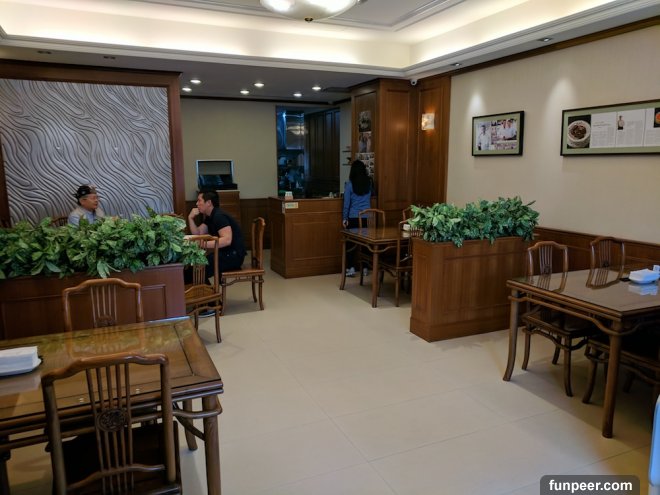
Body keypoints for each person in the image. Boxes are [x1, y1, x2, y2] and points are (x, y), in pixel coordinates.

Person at [187, 189, 246, 282]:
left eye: (199, 200)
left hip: (233, 256)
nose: (196, 203)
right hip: (225, 254)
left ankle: (206, 290)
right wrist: (190, 218)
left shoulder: (219, 216)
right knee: (196, 266)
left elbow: (227, 240)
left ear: (208, 203)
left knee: (198, 268)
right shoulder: (210, 216)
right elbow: (198, 233)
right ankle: (206, 290)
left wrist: (202, 244)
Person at [342, 160, 371, 277]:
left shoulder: (349, 184)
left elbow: (346, 203)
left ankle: (351, 268)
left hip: (353, 217)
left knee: (350, 243)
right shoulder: (369, 183)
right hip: (366, 217)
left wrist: (345, 218)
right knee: (366, 243)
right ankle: (365, 268)